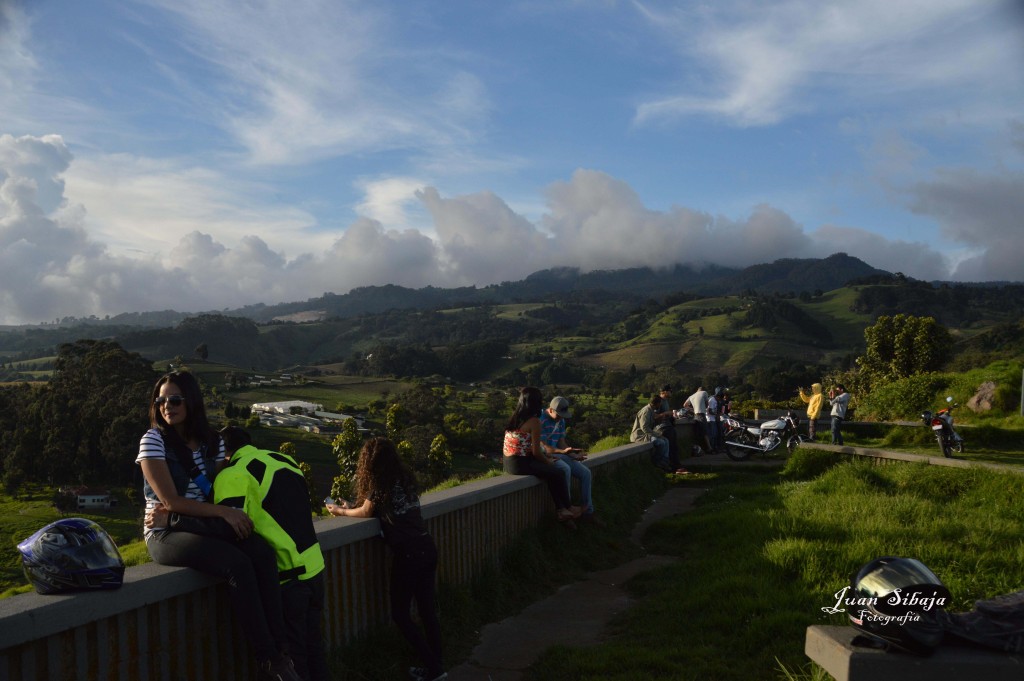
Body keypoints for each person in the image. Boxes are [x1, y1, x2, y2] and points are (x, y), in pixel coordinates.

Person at [137, 371, 300, 681]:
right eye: (160, 401)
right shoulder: (154, 440)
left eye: (174, 399)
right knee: (236, 564)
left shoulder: (212, 442)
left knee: (262, 554)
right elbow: (170, 501)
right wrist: (224, 514)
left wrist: (228, 511)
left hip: (201, 522)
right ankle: (268, 660)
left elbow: (219, 486)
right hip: (165, 530)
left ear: (192, 401)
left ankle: (282, 649)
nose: (166, 406)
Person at [325, 438, 446, 681]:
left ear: (369, 463)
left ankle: (434, 668)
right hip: (426, 546)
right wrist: (354, 505)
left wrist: (339, 511)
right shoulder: (404, 480)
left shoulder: (380, 484)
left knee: (401, 615)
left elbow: (366, 512)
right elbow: (377, 508)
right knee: (427, 611)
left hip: (408, 554)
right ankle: (437, 662)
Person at [214, 427, 329, 681]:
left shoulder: (234, 474)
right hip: (315, 569)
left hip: (287, 579)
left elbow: (228, 528)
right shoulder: (284, 460)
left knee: (294, 664)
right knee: (315, 651)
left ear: (223, 454)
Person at [503, 387, 582, 526]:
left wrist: (547, 460)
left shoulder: (515, 418)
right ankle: (567, 507)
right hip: (521, 464)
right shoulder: (534, 421)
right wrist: (548, 461)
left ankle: (562, 509)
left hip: (509, 462)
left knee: (551, 473)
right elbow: (536, 452)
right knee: (558, 472)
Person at [540, 397, 603, 526]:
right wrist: (563, 453)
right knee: (565, 469)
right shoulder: (541, 420)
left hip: (560, 453)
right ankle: (567, 511)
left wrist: (572, 454)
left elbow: (561, 442)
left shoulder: (561, 421)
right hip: (546, 455)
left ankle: (588, 512)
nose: (560, 418)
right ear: (551, 410)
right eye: (558, 415)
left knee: (586, 473)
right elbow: (544, 447)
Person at [631, 393, 688, 474]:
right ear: (656, 403)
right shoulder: (646, 411)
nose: (660, 405)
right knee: (660, 442)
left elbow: (653, 421)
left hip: (647, 434)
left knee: (666, 441)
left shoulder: (651, 410)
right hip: (640, 435)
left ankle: (664, 463)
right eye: (660, 403)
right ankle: (657, 462)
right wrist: (657, 435)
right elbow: (644, 428)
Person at [653, 385, 681, 464]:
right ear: (664, 392)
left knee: (674, 446)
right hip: (662, 428)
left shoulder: (666, 401)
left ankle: (675, 464)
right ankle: (673, 465)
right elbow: (654, 416)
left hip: (668, 426)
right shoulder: (659, 401)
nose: (671, 392)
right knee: (671, 446)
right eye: (670, 391)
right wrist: (666, 413)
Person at [683, 386, 713, 456]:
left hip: (695, 415)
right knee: (705, 432)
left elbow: (684, 405)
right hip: (702, 415)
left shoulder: (691, 396)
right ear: (702, 390)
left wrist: (692, 409)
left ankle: (700, 449)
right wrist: (704, 407)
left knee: (698, 433)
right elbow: (707, 404)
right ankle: (710, 448)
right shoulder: (704, 392)